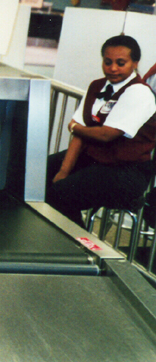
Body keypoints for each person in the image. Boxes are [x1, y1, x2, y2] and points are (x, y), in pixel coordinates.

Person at [47, 35, 156, 227]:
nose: (113, 68)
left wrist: (74, 126)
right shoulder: (97, 86)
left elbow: (107, 134)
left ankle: (79, 248)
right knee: (35, 173)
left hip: (126, 171)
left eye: (120, 63)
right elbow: (79, 136)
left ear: (135, 63)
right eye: (108, 62)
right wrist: (64, 170)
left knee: (60, 194)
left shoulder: (140, 92)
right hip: (94, 159)